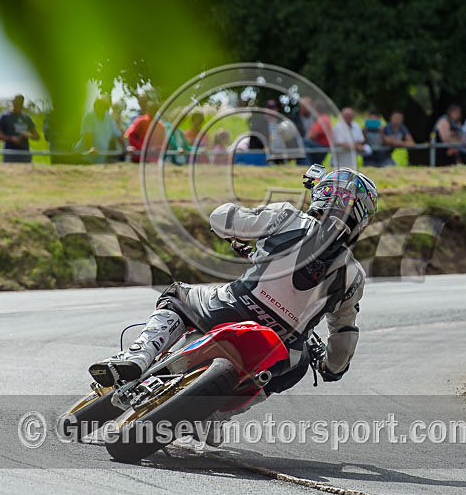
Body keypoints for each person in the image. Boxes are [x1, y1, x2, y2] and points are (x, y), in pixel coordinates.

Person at [88, 167, 378, 412]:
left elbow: (221, 218)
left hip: (229, 309)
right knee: (297, 367)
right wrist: (331, 368)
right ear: (361, 219)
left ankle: (139, 356)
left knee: (176, 295)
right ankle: (217, 418)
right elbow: (343, 336)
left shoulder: (289, 217)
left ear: (323, 193)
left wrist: (232, 231)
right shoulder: (354, 276)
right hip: (282, 348)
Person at [0, 94, 39, 163]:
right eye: (16, 103)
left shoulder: (26, 118)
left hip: (24, 154)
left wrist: (29, 135)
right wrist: (11, 138)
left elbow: (37, 136)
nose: (17, 105)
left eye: (20, 104)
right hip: (9, 154)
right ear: (13, 102)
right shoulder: (5, 116)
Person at [77, 96, 122, 164]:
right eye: (99, 104)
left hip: (100, 159)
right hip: (85, 158)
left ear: (107, 107)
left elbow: (117, 135)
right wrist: (91, 148)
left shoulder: (108, 118)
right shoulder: (89, 117)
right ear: (94, 105)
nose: (101, 107)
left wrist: (126, 147)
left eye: (103, 105)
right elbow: (88, 136)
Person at [125, 95, 166, 163]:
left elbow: (164, 142)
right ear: (147, 109)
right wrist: (142, 147)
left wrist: (156, 148)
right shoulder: (141, 121)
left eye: (154, 109)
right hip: (140, 157)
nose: (152, 111)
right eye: (151, 109)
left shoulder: (160, 125)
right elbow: (129, 135)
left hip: (155, 159)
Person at [304, 100, 331, 165]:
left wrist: (308, 136)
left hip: (321, 147)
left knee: (302, 141)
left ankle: (305, 165)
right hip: (321, 147)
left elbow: (314, 135)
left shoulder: (323, 119)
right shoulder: (324, 118)